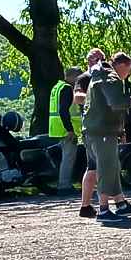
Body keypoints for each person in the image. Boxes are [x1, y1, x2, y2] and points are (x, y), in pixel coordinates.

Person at [83, 52, 131, 222]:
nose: (128, 74)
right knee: (107, 169)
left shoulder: (98, 76)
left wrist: (119, 131)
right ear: (122, 65)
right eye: (128, 70)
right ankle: (103, 210)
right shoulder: (112, 79)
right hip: (103, 132)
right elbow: (115, 103)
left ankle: (121, 204)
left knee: (113, 167)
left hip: (94, 130)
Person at [48, 66, 83, 195]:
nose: (78, 81)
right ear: (72, 76)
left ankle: (64, 184)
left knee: (66, 157)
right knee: (68, 158)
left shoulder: (57, 87)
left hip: (57, 128)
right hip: (65, 129)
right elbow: (63, 111)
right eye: (78, 78)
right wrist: (70, 130)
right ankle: (64, 186)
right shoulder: (67, 89)